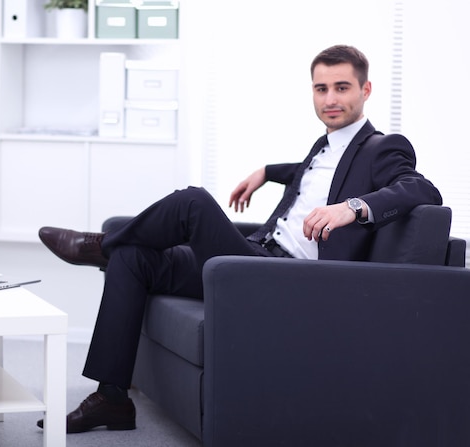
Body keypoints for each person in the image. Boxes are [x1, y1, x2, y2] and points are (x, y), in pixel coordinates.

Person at [36, 45, 442, 433]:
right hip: (256, 257)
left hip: (293, 282)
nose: (330, 99)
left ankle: (97, 246)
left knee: (192, 202)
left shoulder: (384, 148)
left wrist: (351, 208)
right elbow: (313, 172)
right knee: (133, 257)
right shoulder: (325, 145)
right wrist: (266, 170)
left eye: (342, 87)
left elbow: (421, 189)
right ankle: (111, 398)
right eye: (321, 89)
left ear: (365, 90)